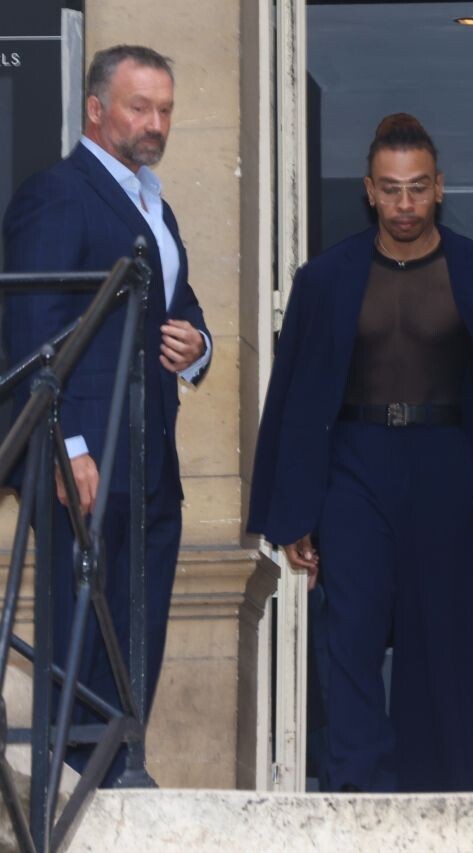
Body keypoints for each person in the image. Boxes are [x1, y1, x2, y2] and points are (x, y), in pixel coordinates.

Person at [247, 114, 473, 793]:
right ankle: (358, 786)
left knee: (443, 634)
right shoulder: (326, 279)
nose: (404, 204)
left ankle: (441, 791)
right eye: (391, 189)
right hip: (353, 462)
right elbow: (299, 397)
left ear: (439, 188)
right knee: (353, 625)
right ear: (369, 190)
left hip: (442, 461)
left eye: (418, 188)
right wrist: (296, 509)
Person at [2, 44, 212, 784]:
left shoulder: (157, 204)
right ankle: (67, 778)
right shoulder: (58, 192)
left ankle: (117, 766)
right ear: (96, 109)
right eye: (139, 107)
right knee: (81, 621)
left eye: (165, 110)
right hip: (87, 455)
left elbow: (181, 309)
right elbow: (33, 331)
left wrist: (199, 346)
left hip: (151, 455)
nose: (155, 123)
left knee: (136, 621)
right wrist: (67, 447)